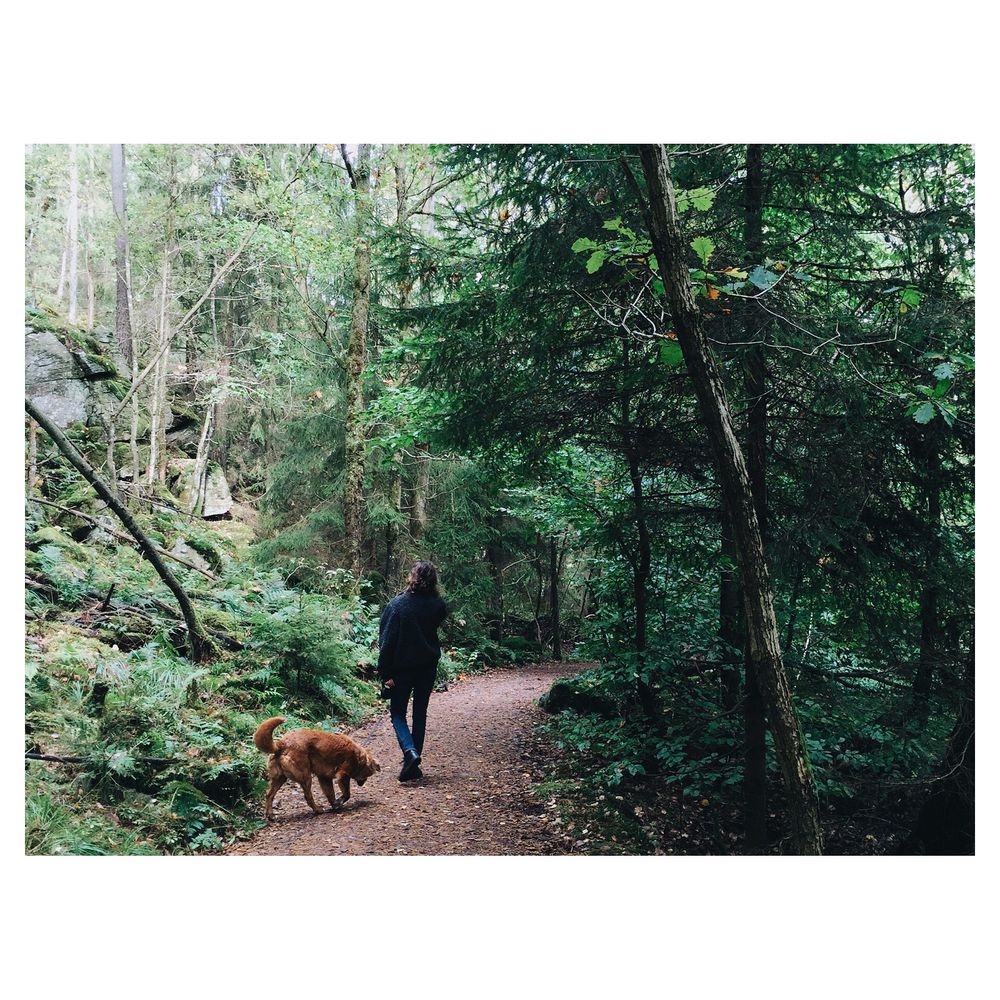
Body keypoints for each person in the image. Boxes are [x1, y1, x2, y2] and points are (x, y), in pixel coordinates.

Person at [378, 561, 448, 782]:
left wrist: (384, 672)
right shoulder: (438, 605)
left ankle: (410, 752)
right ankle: (414, 764)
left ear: (413, 577)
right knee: (420, 712)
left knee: (397, 712)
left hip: (402, 670)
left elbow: (386, 641)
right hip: (427, 668)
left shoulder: (397, 606)